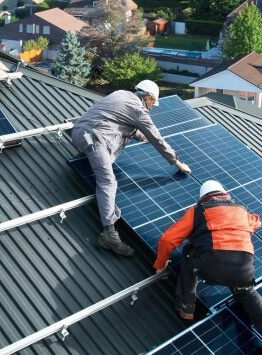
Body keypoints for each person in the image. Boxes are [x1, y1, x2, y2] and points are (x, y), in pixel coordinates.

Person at [153, 179, 262, 352]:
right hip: (242, 270)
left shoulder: (198, 211)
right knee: (248, 293)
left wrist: (160, 264)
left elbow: (167, 240)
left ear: (203, 198)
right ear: (224, 194)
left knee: (189, 251)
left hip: (211, 268)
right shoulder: (241, 211)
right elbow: (257, 222)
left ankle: (186, 305)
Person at [72, 80, 191, 257]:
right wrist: (177, 162)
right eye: (153, 103)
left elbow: (116, 119)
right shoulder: (138, 109)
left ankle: (109, 224)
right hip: (91, 137)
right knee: (108, 181)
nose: (152, 107)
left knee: (104, 168)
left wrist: (141, 135)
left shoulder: (121, 94)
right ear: (148, 97)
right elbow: (157, 139)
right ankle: (109, 234)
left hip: (83, 132)